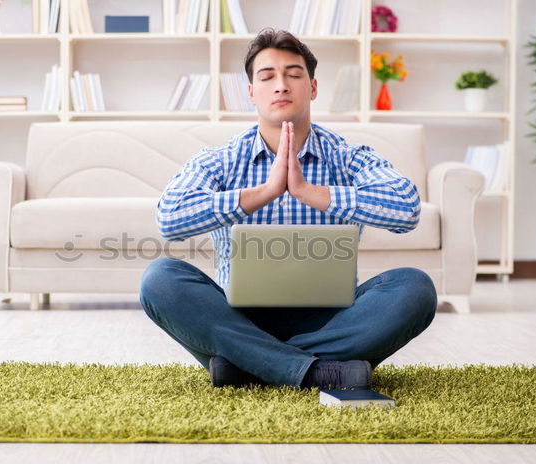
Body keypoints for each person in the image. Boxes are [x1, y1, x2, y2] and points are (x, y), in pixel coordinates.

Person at [139, 28, 438, 390]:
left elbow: (407, 209)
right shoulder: (220, 160)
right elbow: (169, 218)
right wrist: (265, 192)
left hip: (336, 322)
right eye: (267, 77)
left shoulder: (347, 156)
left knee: (415, 287)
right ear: (251, 93)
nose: (281, 85)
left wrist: (312, 193)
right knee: (160, 279)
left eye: (293, 74)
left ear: (312, 87)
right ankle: (318, 370)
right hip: (239, 320)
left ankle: (249, 367)